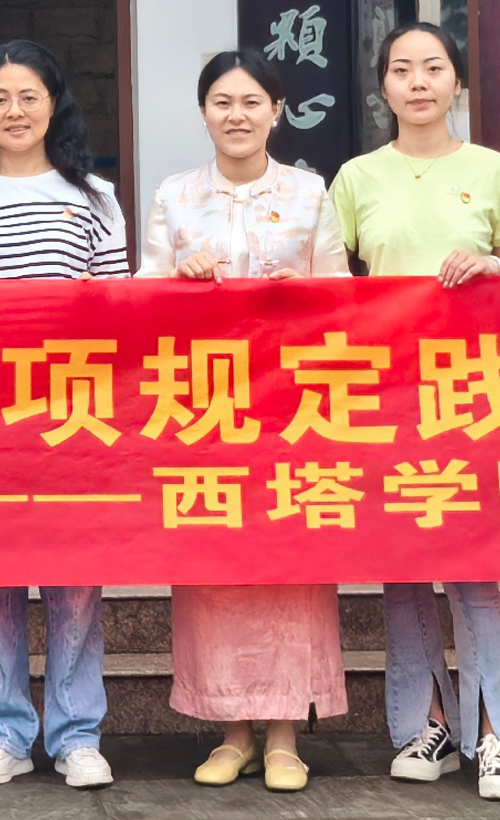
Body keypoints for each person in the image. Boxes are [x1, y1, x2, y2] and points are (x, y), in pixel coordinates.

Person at [318, 23, 500, 804]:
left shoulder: (491, 168)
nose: (418, 81)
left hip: (472, 393)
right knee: (404, 570)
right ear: (383, 85)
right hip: (385, 395)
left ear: (457, 83)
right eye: (402, 69)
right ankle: (430, 723)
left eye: (433, 68)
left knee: (473, 570)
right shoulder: (355, 177)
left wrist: (492, 265)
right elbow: (328, 281)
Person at [0, 41, 127, 792]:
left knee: (76, 581)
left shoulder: (95, 194)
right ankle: (2, 731)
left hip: (74, 414)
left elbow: (117, 310)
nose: (15, 111)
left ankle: (77, 734)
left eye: (29, 96)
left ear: (54, 103)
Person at [137, 50, 345, 795]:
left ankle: (285, 733)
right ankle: (230, 730)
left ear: (276, 111)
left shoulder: (310, 191)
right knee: (213, 561)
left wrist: (306, 290)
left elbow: (344, 294)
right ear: (203, 113)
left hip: (293, 408)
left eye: (252, 101)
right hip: (203, 410)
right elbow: (141, 294)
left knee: (292, 563)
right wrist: (177, 279)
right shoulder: (174, 194)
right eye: (222, 102)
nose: (237, 114)